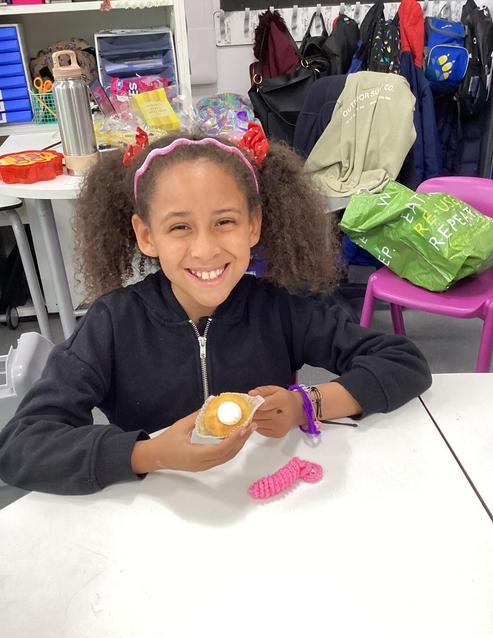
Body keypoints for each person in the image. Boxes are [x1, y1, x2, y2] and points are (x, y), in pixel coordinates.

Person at [0, 128, 431, 495]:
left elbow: (403, 362)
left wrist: (306, 405)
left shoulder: (281, 307)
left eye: (224, 222)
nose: (205, 250)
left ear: (253, 224)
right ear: (146, 235)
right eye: (179, 227)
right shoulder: (112, 323)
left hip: (262, 501)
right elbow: (21, 445)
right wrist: (150, 453)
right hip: (156, 513)